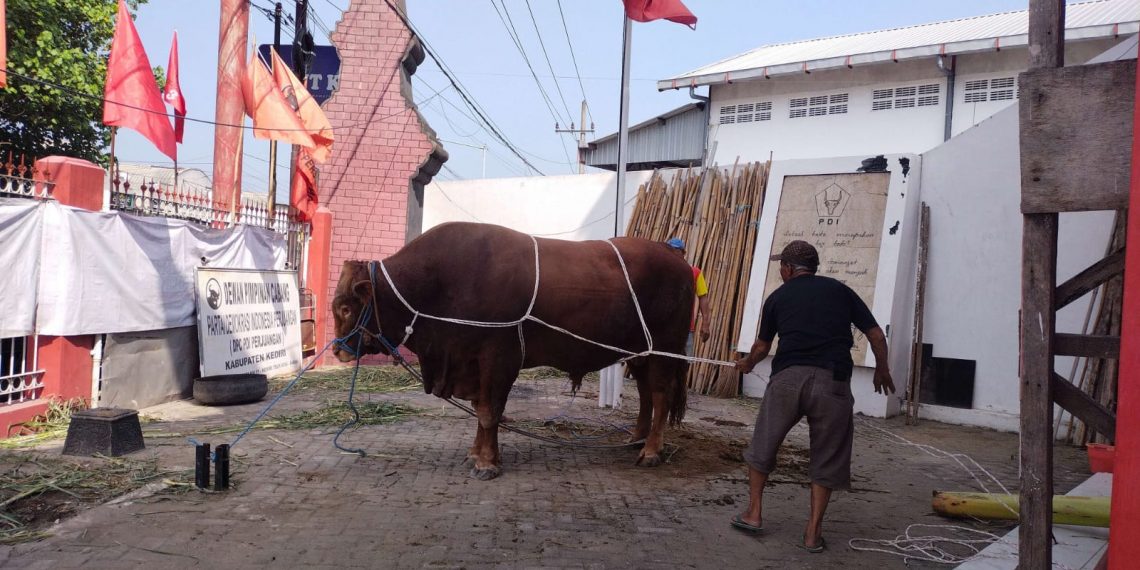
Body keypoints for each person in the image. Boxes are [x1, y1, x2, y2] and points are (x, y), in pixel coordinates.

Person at [731, 240, 895, 552]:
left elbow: (763, 346)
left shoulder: (778, 297)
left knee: (763, 444)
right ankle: (812, 532)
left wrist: (748, 363)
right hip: (833, 381)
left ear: (789, 269)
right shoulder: (840, 290)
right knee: (828, 454)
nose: (780, 271)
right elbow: (875, 334)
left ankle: (753, 513)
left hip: (788, 379)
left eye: (781, 266)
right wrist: (882, 369)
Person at [666, 238, 710, 355]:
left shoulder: (695, 273)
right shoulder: (662, 272)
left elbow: (703, 297)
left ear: (683, 253)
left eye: (676, 250)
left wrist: (705, 323)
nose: (673, 253)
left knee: (685, 363)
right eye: (670, 250)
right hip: (663, 329)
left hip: (685, 329)